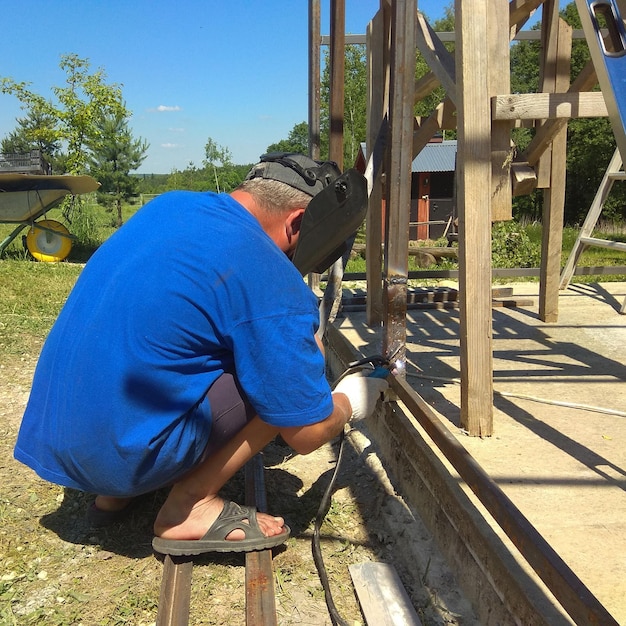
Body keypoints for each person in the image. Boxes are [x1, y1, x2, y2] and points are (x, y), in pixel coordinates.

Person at [14, 153, 388, 556]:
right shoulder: (265, 269)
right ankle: (188, 507)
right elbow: (307, 433)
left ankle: (114, 496)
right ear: (297, 223)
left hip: (58, 438)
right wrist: (351, 399)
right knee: (282, 379)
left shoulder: (169, 205)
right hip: (116, 458)